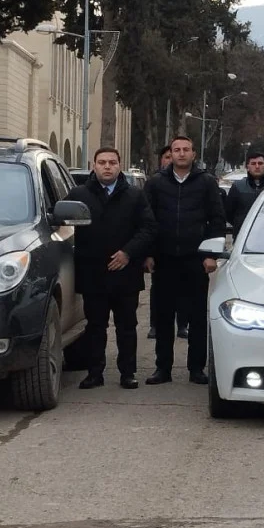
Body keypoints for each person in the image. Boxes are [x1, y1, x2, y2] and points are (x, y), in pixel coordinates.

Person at [65, 147, 157, 390]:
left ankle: (128, 373)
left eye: (112, 162)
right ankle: (95, 373)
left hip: (125, 273)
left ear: (119, 165)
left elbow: (148, 228)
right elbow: (62, 223)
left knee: (127, 326)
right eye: (102, 162)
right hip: (92, 273)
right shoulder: (78, 194)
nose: (107, 167)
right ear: (94, 165)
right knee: (95, 327)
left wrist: (128, 252)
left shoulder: (135, 195)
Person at [143, 135, 227, 385]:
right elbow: (146, 221)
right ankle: (163, 369)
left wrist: (211, 254)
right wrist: (147, 254)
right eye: (176, 150)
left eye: (186, 150)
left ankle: (196, 369)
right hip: (164, 259)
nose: (181, 154)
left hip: (195, 259)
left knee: (198, 318)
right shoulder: (156, 183)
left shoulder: (206, 183)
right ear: (170, 154)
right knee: (164, 317)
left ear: (193, 154)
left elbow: (217, 219)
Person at [147, 144, 189, 341]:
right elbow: (146, 219)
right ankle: (156, 325)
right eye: (166, 157)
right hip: (160, 250)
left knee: (183, 291)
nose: (169, 160)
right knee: (159, 293)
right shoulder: (154, 183)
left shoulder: (195, 182)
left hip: (187, 251)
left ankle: (182, 324)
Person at [225, 151, 264, 234]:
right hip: (242, 237)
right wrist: (241, 224)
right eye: (253, 164)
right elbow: (229, 213)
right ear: (247, 166)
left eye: (260, 163)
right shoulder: (238, 187)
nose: (257, 166)